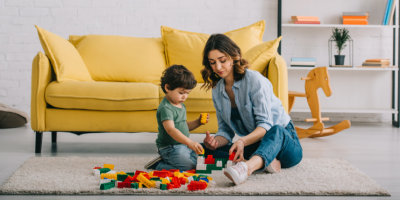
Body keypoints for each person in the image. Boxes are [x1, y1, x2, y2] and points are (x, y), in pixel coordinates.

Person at [200, 34, 303, 185]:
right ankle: (264, 161)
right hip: (256, 145)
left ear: (233, 56)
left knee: (276, 130)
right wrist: (214, 142)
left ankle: (246, 168)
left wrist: (241, 141)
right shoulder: (217, 89)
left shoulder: (254, 80)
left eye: (222, 61)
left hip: (285, 143)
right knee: (204, 150)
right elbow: (225, 131)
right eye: (212, 63)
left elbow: (265, 125)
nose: (218, 67)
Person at [144, 65, 209, 171]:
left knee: (199, 162)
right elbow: (171, 129)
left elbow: (183, 126)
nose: (185, 96)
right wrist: (189, 142)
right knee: (188, 168)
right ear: (167, 88)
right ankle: (158, 165)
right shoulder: (166, 108)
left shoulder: (180, 104)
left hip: (182, 144)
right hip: (170, 148)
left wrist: (198, 122)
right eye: (181, 93)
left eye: (187, 93)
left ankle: (173, 161)